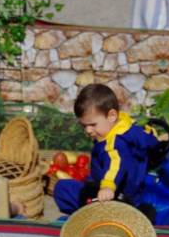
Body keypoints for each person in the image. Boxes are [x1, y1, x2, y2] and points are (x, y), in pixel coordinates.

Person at [53, 84, 159, 215]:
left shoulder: (114, 144)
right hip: (131, 192)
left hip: (113, 196)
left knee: (62, 189)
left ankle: (93, 213)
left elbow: (115, 165)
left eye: (92, 125)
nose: (88, 130)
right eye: (84, 125)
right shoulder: (126, 126)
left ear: (111, 116)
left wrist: (108, 186)